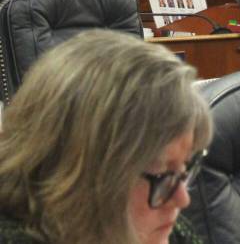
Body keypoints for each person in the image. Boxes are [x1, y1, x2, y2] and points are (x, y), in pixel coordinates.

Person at [0, 30, 211, 244]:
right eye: (162, 174)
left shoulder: (161, 228)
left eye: (185, 168)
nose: (183, 199)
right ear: (78, 175)